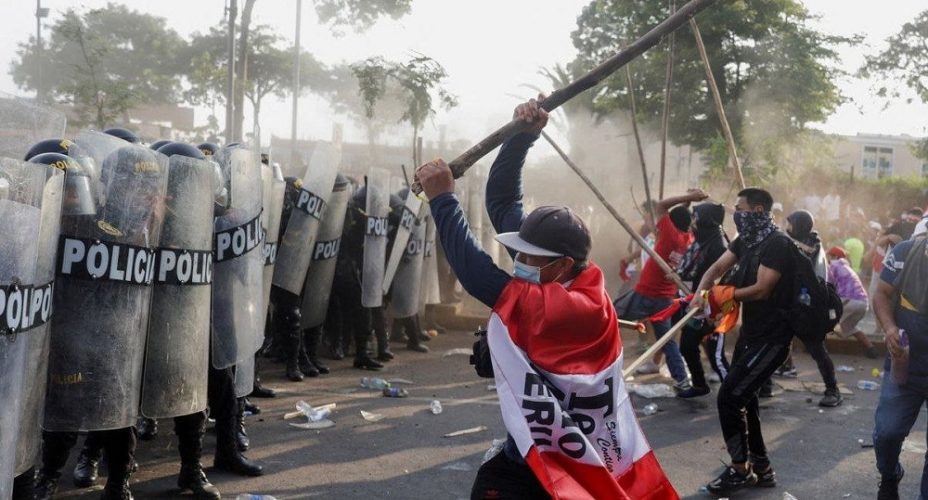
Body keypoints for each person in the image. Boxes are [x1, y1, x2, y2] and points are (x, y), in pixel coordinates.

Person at [417, 95, 676, 499]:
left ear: (562, 264)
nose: (518, 261)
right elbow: (502, 203)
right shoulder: (567, 276)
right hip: (540, 443)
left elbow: (476, 274)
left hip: (563, 459)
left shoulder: (571, 308)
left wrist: (443, 200)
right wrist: (522, 137)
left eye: (526, 256)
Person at [692, 188, 796, 495]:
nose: (735, 214)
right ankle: (762, 468)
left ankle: (740, 470)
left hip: (774, 339)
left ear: (757, 209)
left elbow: (762, 289)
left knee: (729, 397)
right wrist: (700, 295)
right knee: (746, 401)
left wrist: (725, 295)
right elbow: (716, 269)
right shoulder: (746, 239)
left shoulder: (777, 243)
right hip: (751, 336)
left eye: (740, 208)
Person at [616, 189, 706, 390]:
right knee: (667, 340)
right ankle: (682, 379)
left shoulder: (669, 234)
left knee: (608, 317)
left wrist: (689, 198)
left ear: (670, 223)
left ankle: (599, 362)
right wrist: (687, 204)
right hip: (665, 298)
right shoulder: (688, 239)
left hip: (646, 292)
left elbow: (661, 205)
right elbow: (675, 216)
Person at [871, 230, 928, 499]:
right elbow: (881, 294)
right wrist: (890, 328)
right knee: (887, 433)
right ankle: (890, 474)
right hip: (906, 365)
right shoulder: (905, 252)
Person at [773, 210, 842, 408]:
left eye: (790, 224)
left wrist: (782, 238)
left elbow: (804, 257)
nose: (788, 228)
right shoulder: (795, 243)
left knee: (817, 350)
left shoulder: (812, 245)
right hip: (791, 305)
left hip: (809, 308)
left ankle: (833, 390)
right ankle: (765, 385)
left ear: (800, 226)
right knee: (774, 344)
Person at [676, 202, 730, 398]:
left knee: (716, 357)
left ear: (706, 221)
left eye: (696, 218)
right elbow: (692, 271)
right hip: (696, 307)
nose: (693, 223)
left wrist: (715, 312)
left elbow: (724, 282)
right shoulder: (700, 243)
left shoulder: (719, 248)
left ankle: (736, 393)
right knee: (687, 345)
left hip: (713, 309)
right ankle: (699, 385)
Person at [827, 246, 878, 358]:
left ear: (834, 256)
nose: (827, 259)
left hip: (848, 300)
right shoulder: (848, 268)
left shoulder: (833, 265)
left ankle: (818, 348)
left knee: (827, 316)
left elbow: (827, 286)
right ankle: (871, 348)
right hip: (863, 303)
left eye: (829, 256)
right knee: (849, 328)